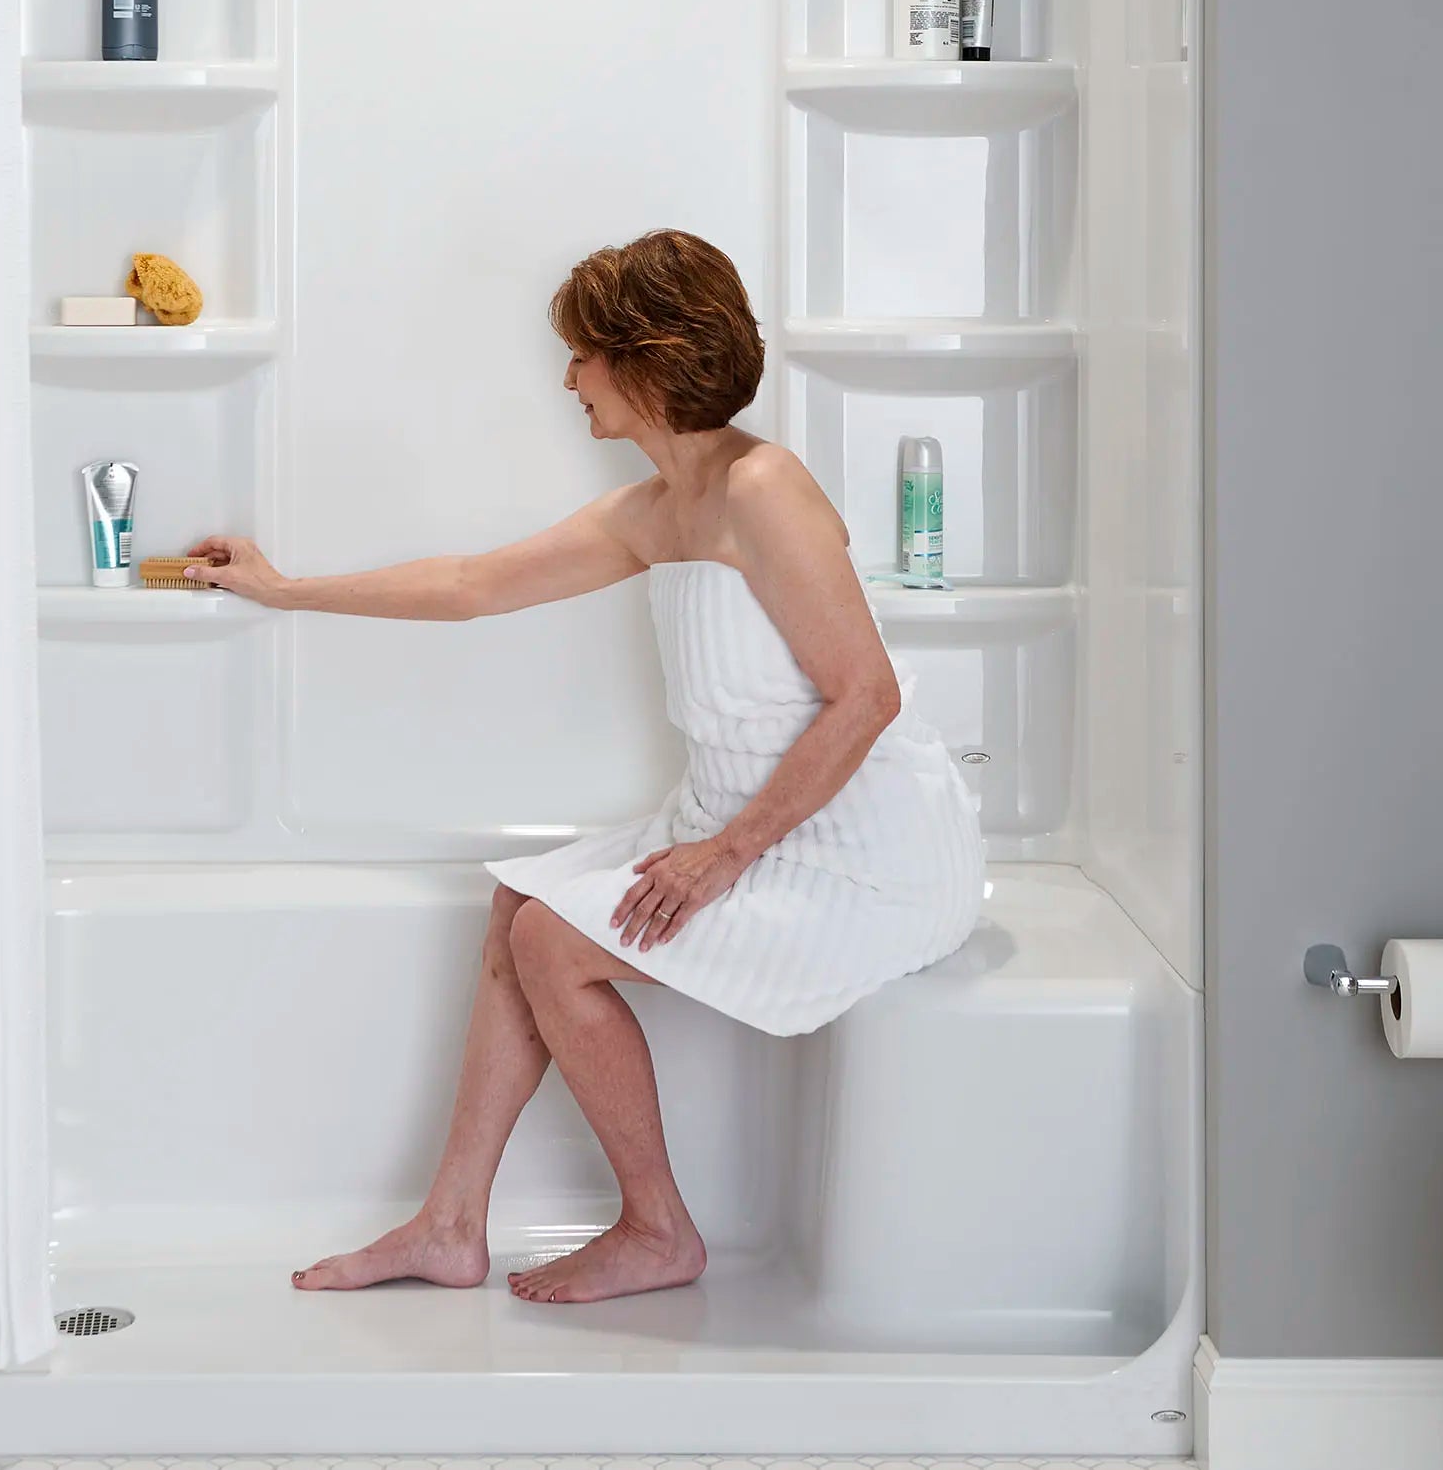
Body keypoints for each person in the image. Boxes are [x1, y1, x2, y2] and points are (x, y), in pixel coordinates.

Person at [185, 229, 986, 1306]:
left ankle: (657, 1229)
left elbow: (867, 696)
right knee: (516, 905)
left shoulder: (764, 487)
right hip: (735, 820)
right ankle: (448, 1225)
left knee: (552, 942)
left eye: (581, 355)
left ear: (646, 357)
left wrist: (721, 856)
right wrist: (284, 590)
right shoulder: (655, 510)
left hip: (857, 850)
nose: (568, 380)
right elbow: (470, 585)